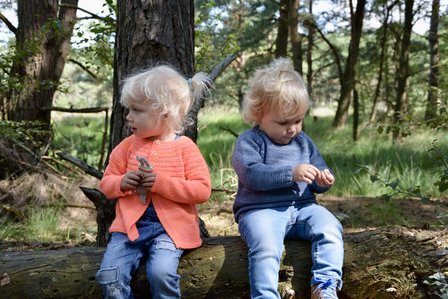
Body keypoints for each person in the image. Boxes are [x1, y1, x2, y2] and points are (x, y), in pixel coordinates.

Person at [96, 65, 212, 299]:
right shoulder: (127, 146)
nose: (128, 116)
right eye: (129, 109)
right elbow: (106, 184)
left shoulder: (184, 148)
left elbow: (202, 190)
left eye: (137, 110)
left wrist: (160, 183)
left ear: (165, 113)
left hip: (169, 230)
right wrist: (123, 182)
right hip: (130, 229)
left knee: (161, 273)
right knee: (110, 274)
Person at [231, 58, 343, 299]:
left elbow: (317, 172)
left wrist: (322, 181)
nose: (292, 128)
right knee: (266, 246)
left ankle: (324, 285)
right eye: (283, 122)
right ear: (257, 115)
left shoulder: (304, 142)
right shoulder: (250, 142)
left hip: (303, 208)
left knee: (331, 227)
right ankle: (265, 295)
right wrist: (291, 173)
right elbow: (251, 175)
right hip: (260, 211)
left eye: (298, 120)